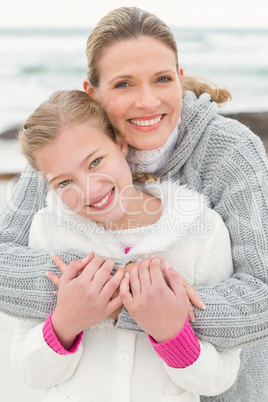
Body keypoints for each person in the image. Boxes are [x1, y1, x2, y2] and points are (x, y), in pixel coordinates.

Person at [0, 5, 267, 401]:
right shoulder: (67, 152)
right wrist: (91, 299)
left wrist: (131, 303)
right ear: (93, 91)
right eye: (124, 84)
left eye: (161, 79)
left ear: (179, 78)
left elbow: (260, 295)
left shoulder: (230, 152)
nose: (147, 102)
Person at [11, 89, 240, 401]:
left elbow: (220, 378)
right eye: (64, 182)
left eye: (95, 162)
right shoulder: (48, 231)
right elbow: (31, 373)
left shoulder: (201, 231)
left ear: (121, 145)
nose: (88, 190)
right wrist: (66, 323)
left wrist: (171, 334)